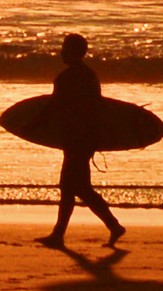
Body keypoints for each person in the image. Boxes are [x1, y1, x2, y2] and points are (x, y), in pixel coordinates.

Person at [38, 32, 125, 248]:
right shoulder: (90, 76)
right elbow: (98, 109)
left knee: (73, 186)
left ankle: (110, 226)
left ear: (75, 52)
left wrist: (32, 125)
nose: (61, 53)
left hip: (75, 138)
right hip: (87, 137)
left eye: (65, 49)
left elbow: (53, 107)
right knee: (75, 187)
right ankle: (62, 234)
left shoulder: (66, 78)